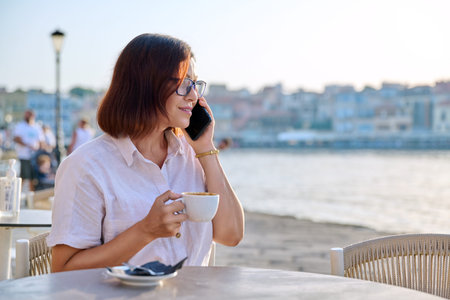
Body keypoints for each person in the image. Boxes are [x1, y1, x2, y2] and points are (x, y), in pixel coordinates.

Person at [47, 33, 245, 272]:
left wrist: (206, 149)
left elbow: (231, 235)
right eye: (184, 84)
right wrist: (145, 231)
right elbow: (63, 270)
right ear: (147, 85)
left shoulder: (193, 155)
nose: (194, 96)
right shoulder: (86, 166)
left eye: (195, 85)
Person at [13, 110, 44, 191]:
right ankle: (18, 194)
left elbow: (41, 141)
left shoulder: (37, 127)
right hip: (24, 155)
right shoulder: (20, 126)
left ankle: (31, 197)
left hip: (34, 156)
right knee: (25, 177)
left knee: (33, 179)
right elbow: (16, 138)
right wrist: (28, 145)